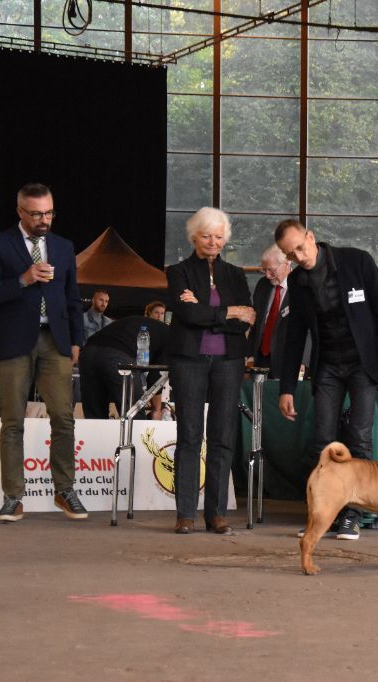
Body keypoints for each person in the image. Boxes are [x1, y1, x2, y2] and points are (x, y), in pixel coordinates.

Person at [275, 218, 378, 541]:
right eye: (291, 254)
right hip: (327, 365)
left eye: (300, 247)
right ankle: (321, 514)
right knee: (322, 442)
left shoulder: (356, 261)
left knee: (358, 439)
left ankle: (352, 517)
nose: (299, 256)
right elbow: (294, 338)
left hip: (363, 365)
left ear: (311, 237)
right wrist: (286, 387)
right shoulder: (298, 283)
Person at [0, 182, 88, 523]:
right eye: (36, 214)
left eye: (49, 212)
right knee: (13, 421)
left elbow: (72, 296)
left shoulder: (63, 247)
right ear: (20, 212)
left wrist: (77, 340)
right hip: (14, 340)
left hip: (56, 340)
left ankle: (65, 490)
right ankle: (12, 497)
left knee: (64, 418)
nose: (44, 220)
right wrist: (22, 279)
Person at [166, 207, 256, 535]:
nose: (213, 242)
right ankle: (185, 514)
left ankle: (216, 514)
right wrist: (227, 313)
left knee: (222, 438)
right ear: (194, 237)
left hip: (229, 362)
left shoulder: (235, 274)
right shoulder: (177, 272)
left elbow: (246, 319)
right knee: (189, 436)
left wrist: (207, 310)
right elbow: (186, 316)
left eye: (219, 236)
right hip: (188, 360)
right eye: (206, 236)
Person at [79, 315, 169, 419]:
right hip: (118, 356)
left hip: (88, 351)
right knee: (134, 416)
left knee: (95, 417)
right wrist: (157, 410)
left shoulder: (151, 327)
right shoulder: (172, 338)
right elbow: (156, 377)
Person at [248, 245, 294, 380]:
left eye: (271, 270)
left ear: (287, 263)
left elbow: (308, 329)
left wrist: (303, 360)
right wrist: (250, 354)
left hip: (287, 359)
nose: (267, 275)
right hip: (260, 358)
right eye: (264, 270)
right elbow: (255, 323)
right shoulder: (263, 285)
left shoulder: (301, 285)